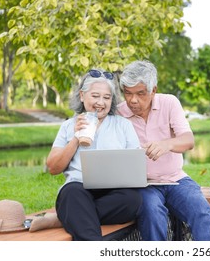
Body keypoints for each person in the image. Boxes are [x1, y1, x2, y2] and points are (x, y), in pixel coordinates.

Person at [117, 60, 210, 241]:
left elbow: (188, 141)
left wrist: (166, 144)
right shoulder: (118, 113)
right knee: (152, 212)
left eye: (140, 94)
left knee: (200, 210)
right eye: (128, 93)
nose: (133, 100)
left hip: (176, 179)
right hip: (143, 185)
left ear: (153, 90)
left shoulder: (169, 103)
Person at [46, 69, 142, 241]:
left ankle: (72, 216)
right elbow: (53, 168)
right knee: (72, 195)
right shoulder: (68, 126)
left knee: (133, 200)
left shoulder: (123, 125)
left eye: (107, 97)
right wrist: (76, 137)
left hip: (114, 193)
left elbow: (135, 165)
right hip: (78, 189)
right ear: (82, 96)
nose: (101, 102)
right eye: (95, 96)